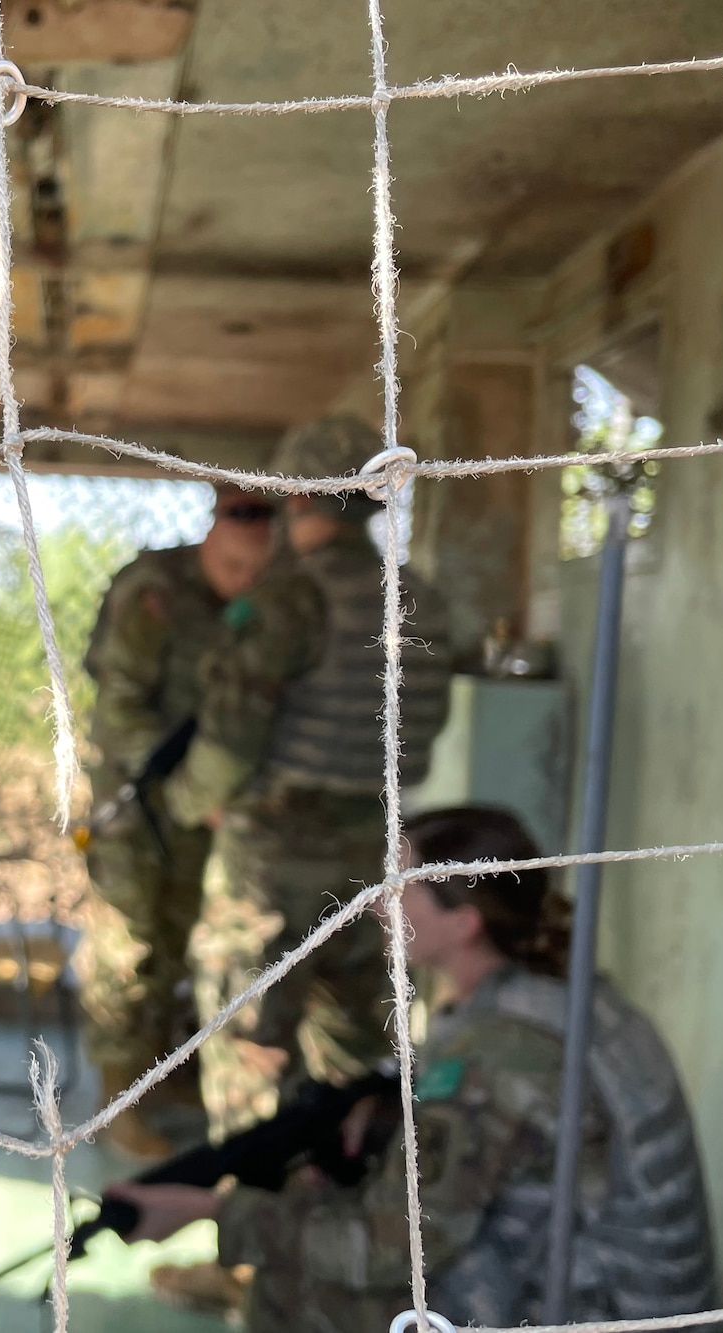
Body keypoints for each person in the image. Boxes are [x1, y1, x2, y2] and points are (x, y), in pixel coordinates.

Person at [107, 807, 715, 1333]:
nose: (380, 900)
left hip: (601, 1310)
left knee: (294, 1290)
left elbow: (387, 1250)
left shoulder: (493, 1055)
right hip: (634, 1284)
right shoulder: (557, 995)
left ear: (464, 921)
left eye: (405, 887)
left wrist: (212, 1211)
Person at [162, 415, 452, 1142]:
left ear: (298, 499)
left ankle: (248, 1239)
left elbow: (230, 736)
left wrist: (188, 802)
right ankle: (347, 1211)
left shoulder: (291, 597)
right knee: (356, 1044)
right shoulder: (418, 597)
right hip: (376, 848)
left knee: (249, 1044)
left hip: (272, 857)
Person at [76, 486, 278, 1157]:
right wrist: (188, 785)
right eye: (232, 569)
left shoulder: (273, 601)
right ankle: (115, 1104)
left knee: (184, 939)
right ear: (211, 532)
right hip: (137, 800)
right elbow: (120, 712)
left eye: (257, 573)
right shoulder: (153, 589)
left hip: (204, 801)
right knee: (130, 943)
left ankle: (156, 1078)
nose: (243, 585)